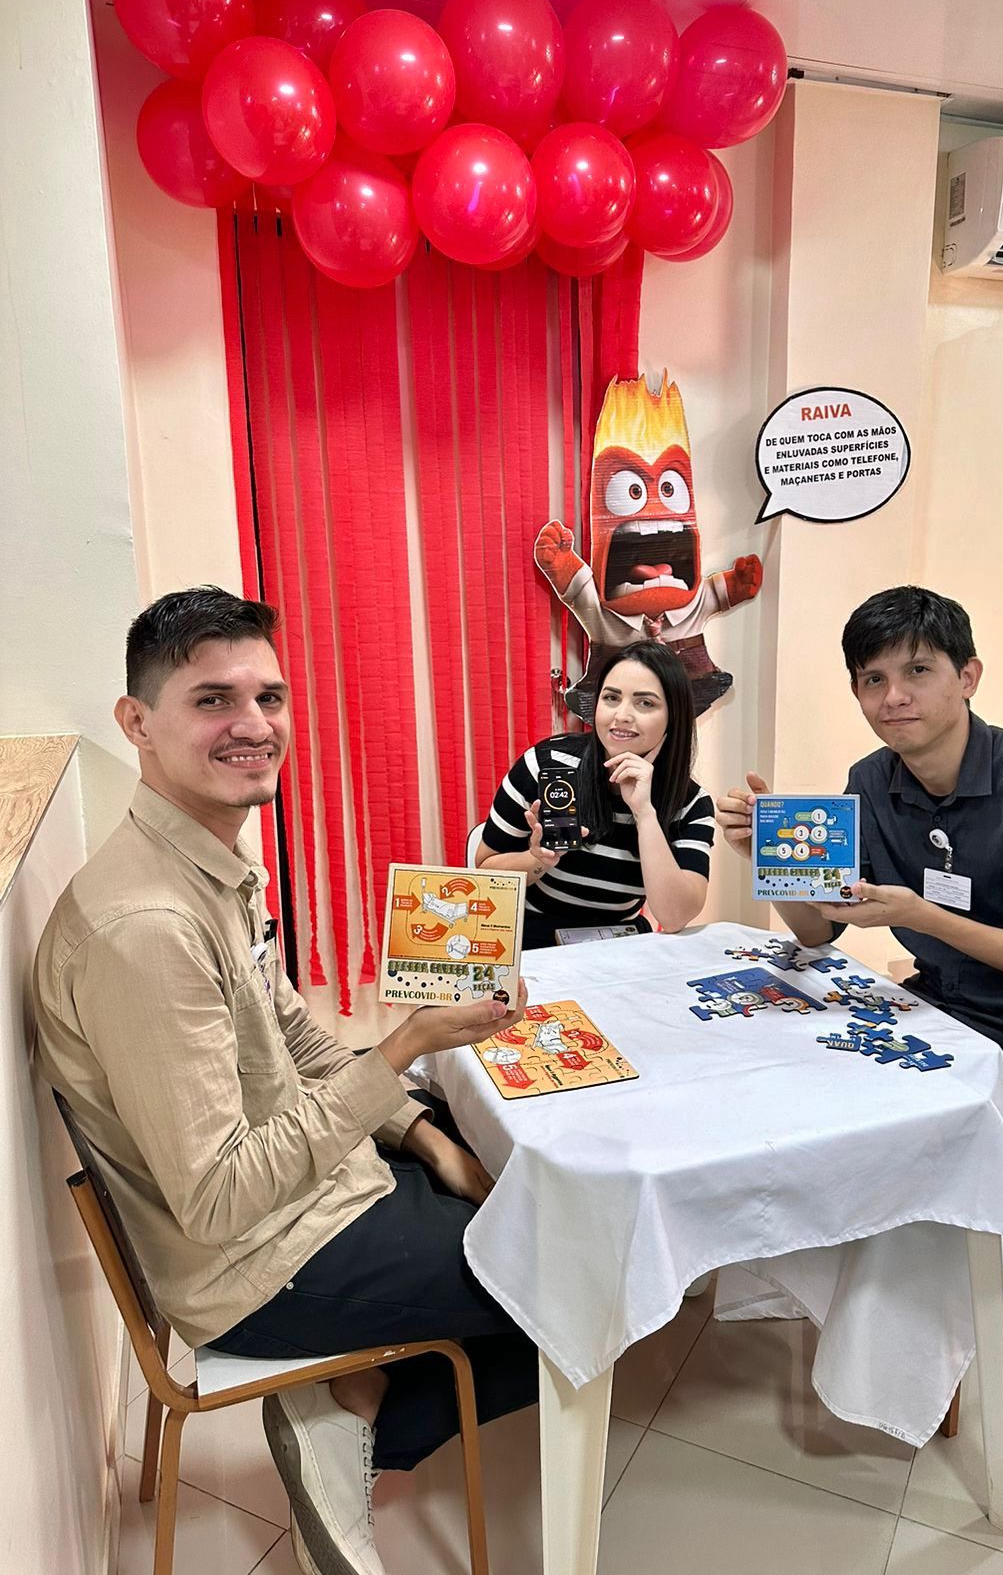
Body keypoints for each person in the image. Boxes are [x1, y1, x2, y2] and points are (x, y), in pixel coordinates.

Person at [34, 587, 538, 1575]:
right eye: (213, 700)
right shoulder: (149, 928)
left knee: (492, 1155)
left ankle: (348, 1397)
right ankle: (350, 1405)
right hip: (256, 1263)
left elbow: (295, 1037)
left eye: (269, 697)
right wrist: (400, 1048)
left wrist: (425, 1136)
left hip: (308, 1192)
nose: (254, 724)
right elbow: (219, 1197)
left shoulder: (210, 864)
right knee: (564, 1269)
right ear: (137, 721)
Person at [716, 585, 1003, 1174]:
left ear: (967, 677)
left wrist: (923, 917)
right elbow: (817, 933)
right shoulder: (870, 781)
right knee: (792, 1111)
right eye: (873, 679)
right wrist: (770, 863)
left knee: (878, 1165)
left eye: (917, 670)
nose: (894, 697)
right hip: (937, 1015)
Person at [478, 640, 715, 948]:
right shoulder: (548, 765)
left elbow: (673, 917)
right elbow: (484, 871)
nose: (622, 715)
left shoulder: (691, 802)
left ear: (674, 716)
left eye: (645, 703)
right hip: (533, 937)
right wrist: (537, 859)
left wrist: (644, 813)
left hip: (620, 941)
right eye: (611, 698)